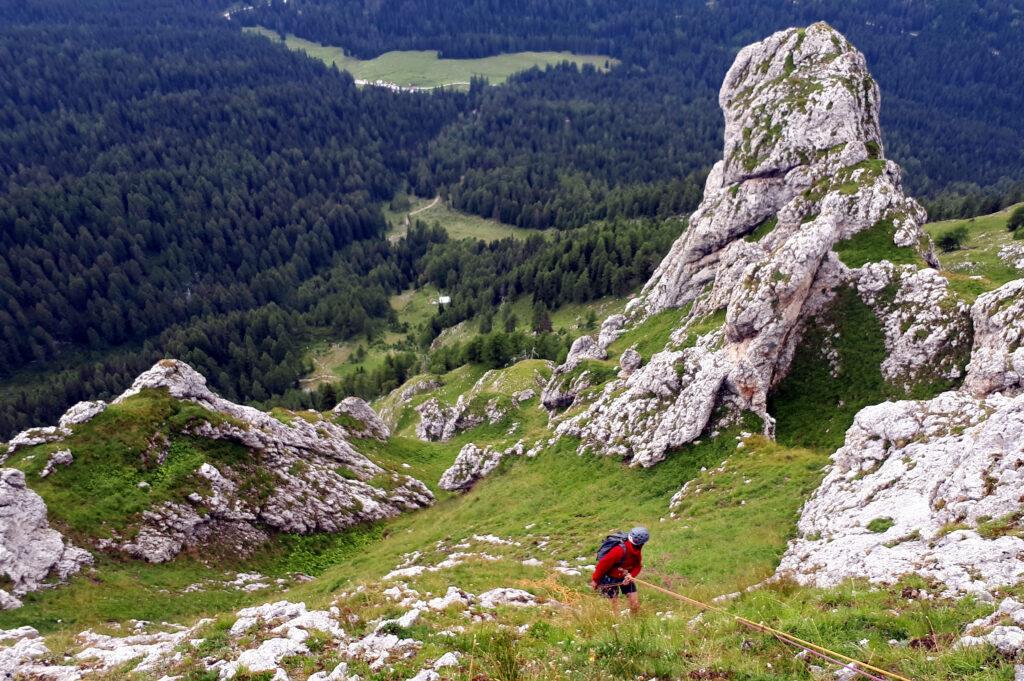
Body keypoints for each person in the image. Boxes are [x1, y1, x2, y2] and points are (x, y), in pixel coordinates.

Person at [590, 526, 649, 614]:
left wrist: (631, 575)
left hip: (626, 576)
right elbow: (602, 566)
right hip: (609, 578)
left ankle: (636, 622)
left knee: (635, 604)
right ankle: (616, 624)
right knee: (614, 608)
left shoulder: (637, 549)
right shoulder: (618, 550)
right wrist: (595, 580)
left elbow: (637, 566)